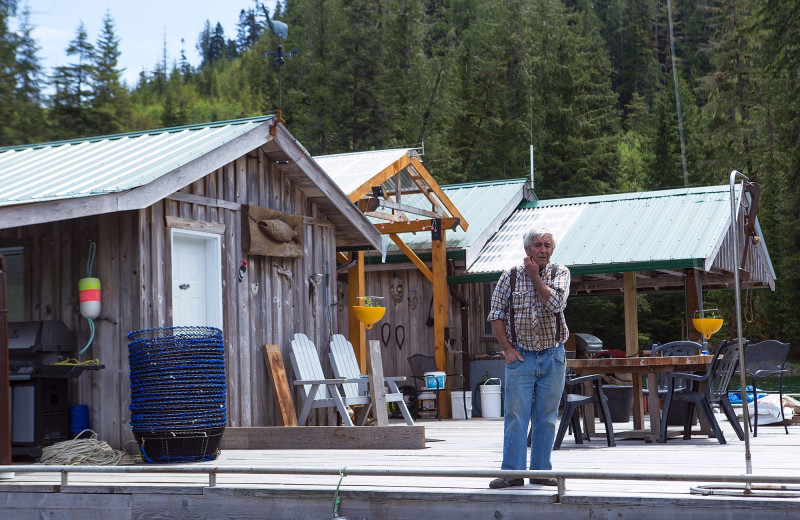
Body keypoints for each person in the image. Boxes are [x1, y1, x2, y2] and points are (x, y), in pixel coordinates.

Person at [486, 225, 570, 488]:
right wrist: (507, 350)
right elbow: (496, 315)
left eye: (547, 246)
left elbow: (556, 303)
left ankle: (541, 472)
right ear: (526, 249)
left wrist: (535, 277)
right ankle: (512, 473)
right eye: (538, 245)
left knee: (546, 417)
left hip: (552, 355)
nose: (543, 250)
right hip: (520, 356)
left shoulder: (561, 273)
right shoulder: (508, 276)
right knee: (515, 417)